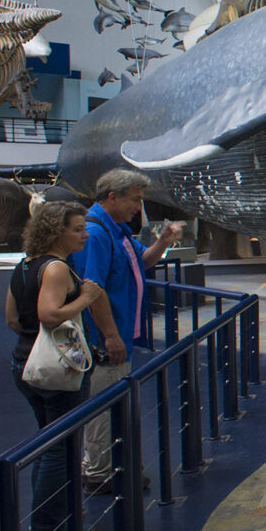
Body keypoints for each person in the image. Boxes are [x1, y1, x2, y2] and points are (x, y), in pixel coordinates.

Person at [70, 170, 185, 495]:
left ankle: (110, 465)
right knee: (102, 408)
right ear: (112, 197)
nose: (138, 206)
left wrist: (162, 241)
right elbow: (92, 289)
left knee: (114, 405)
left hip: (120, 337)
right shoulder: (95, 233)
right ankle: (99, 473)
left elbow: (143, 260)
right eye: (135, 199)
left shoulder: (117, 231)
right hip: (104, 343)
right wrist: (110, 336)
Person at [5, 201, 105, 531]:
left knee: (48, 443)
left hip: (24, 364)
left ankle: (53, 516)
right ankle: (49, 529)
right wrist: (86, 297)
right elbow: (49, 315)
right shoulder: (57, 268)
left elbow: (13, 319)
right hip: (56, 372)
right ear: (56, 232)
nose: (84, 235)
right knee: (60, 447)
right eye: (77, 229)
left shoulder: (23, 266)